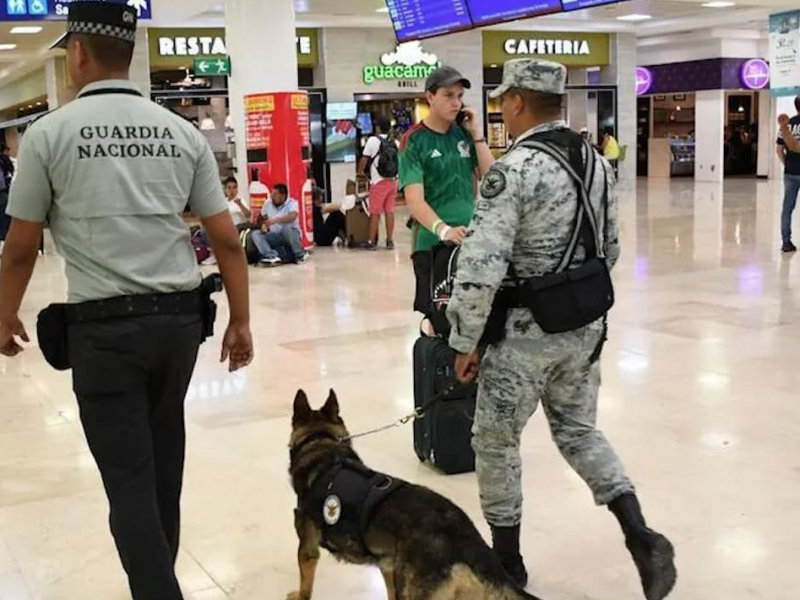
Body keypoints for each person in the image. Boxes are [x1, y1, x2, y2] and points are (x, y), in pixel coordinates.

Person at [0, 3, 253, 599]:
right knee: (164, 468)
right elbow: (225, 238)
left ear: (79, 54)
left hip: (104, 333)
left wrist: (3, 311)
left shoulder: (48, 135)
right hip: (177, 327)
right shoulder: (181, 131)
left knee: (129, 482)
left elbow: (18, 249)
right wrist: (241, 319)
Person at [447, 59, 677, 600]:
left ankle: (507, 563)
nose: (501, 107)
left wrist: (463, 341)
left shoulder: (516, 170)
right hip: (584, 327)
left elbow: (482, 264)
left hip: (525, 334)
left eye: (504, 99)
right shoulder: (595, 161)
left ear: (519, 103)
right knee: (579, 431)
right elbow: (611, 248)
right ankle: (640, 535)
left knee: (495, 440)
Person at [399, 65, 495, 319]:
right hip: (432, 244)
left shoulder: (462, 134)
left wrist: (477, 134)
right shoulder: (414, 141)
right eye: (448, 95)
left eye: (460, 96)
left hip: (469, 238)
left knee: (474, 316)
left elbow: (492, 180)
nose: (456, 102)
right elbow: (414, 199)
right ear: (430, 97)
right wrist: (444, 230)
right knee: (438, 318)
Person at [358, 115, 398, 250]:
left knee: (375, 212)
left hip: (378, 182)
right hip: (393, 181)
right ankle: (389, 240)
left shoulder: (372, 141)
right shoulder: (395, 142)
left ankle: (370, 241)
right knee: (389, 211)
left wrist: (360, 172)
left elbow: (364, 159)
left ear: (378, 127)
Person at [251, 183, 307, 266]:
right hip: (275, 235)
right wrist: (263, 224)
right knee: (255, 234)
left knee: (287, 228)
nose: (272, 197)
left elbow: (292, 216)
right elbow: (262, 217)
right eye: (271, 194)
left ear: (283, 196)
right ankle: (271, 256)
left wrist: (275, 220)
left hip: (290, 235)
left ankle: (299, 254)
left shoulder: (292, 203)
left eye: (275, 194)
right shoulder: (268, 203)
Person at [776, 97, 800, 253]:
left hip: (791, 172)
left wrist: (787, 164)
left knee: (787, 208)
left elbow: (779, 150)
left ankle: (786, 242)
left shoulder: (786, 125)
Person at [0, 144, 13, 250]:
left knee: (5, 217)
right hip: (3, 192)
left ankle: (5, 242)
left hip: (3, 192)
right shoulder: (4, 159)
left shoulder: (2, 160)